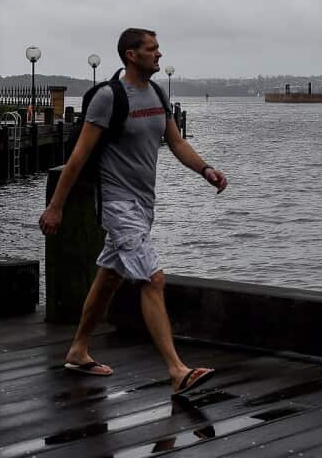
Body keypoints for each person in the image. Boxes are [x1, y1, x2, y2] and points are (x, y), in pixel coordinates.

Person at [39, 27, 229, 397]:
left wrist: (206, 170)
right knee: (152, 279)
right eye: (152, 49)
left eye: (158, 48)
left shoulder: (157, 93)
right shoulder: (109, 98)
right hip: (117, 203)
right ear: (131, 54)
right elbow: (78, 158)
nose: (159, 54)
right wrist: (56, 207)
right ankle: (178, 371)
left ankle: (78, 351)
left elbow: (175, 142)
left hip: (143, 205)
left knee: (109, 275)